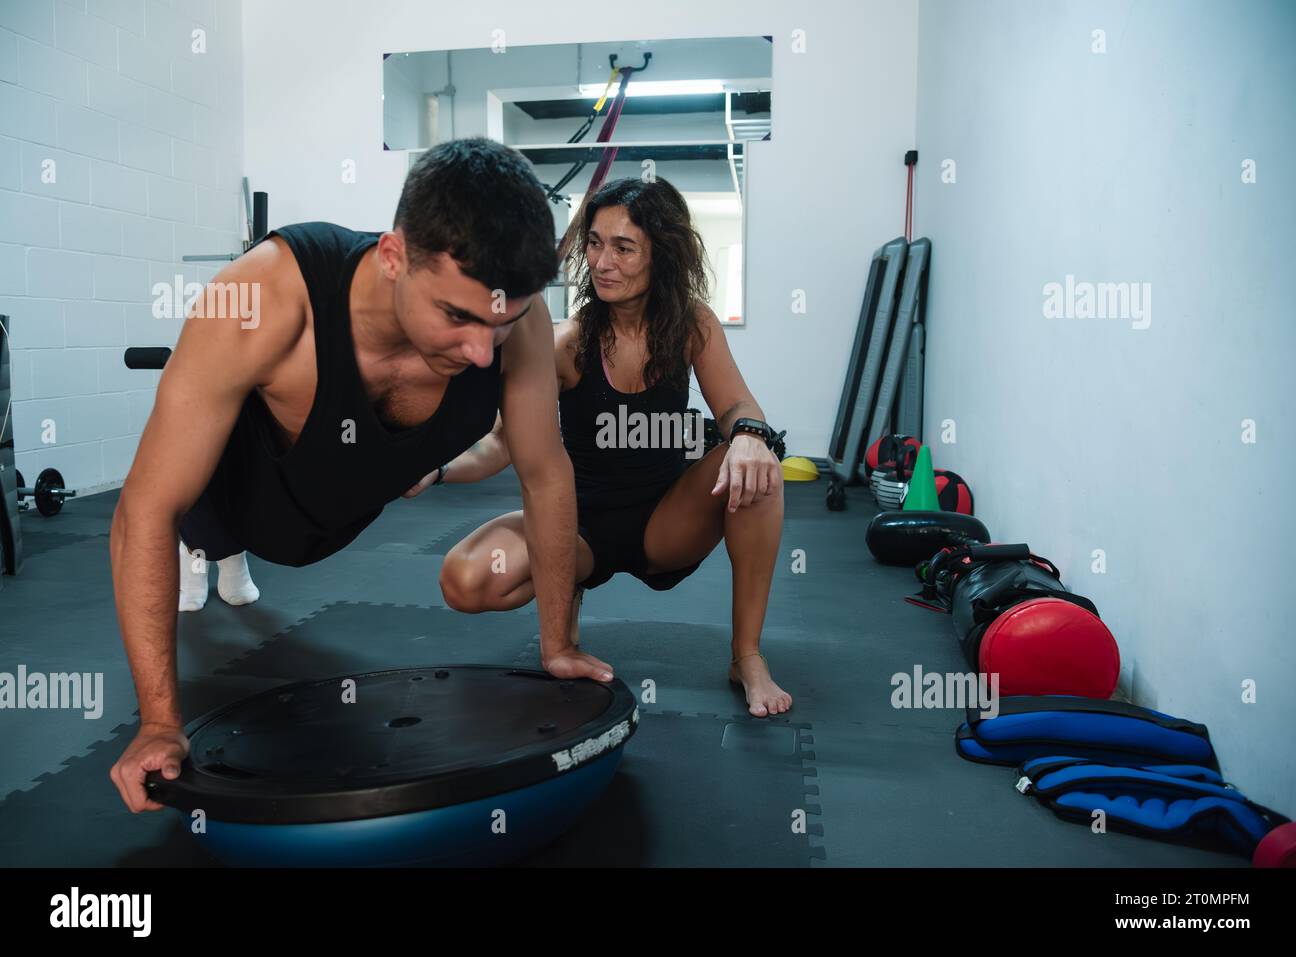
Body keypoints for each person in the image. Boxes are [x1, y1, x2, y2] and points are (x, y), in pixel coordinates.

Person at [108, 138, 610, 814]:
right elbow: (143, 509)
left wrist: (559, 645)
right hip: (238, 499)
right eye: (456, 316)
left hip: (343, 509)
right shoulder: (265, 298)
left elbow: (546, 474)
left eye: (504, 321)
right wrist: (160, 724)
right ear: (392, 255)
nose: (480, 350)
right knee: (192, 514)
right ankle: (214, 553)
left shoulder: (506, 325)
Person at [431, 177, 792, 718]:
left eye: (623, 248)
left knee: (760, 471)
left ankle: (747, 656)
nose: (602, 262)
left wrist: (748, 438)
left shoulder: (692, 323)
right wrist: (434, 470)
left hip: (666, 522)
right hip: (576, 530)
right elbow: (500, 446)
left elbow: (738, 406)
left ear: (662, 256)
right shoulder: (568, 343)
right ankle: (568, 592)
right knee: (465, 579)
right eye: (595, 244)